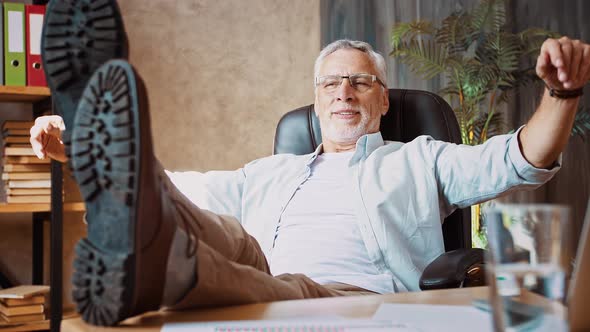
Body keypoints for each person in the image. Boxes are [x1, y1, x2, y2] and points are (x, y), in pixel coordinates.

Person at [29, 0, 589, 327]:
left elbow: (517, 159)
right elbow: (173, 186)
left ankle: (159, 263)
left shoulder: (419, 159)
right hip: (260, 280)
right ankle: (154, 245)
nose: (344, 90)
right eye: (330, 83)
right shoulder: (271, 171)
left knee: (276, 282)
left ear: (383, 100)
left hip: (355, 303)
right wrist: (82, 149)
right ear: (316, 102)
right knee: (213, 225)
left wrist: (561, 96)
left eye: (360, 81)